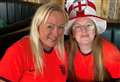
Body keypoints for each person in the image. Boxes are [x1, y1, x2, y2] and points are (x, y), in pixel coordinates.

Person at [0, 3, 68, 82]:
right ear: (37, 26)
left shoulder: (61, 52)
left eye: (60, 27)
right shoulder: (18, 51)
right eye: (50, 26)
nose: (56, 33)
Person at [64, 0, 120, 82]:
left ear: (95, 31)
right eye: (78, 26)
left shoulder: (110, 51)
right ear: (72, 33)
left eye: (89, 25)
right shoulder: (64, 50)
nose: (84, 30)